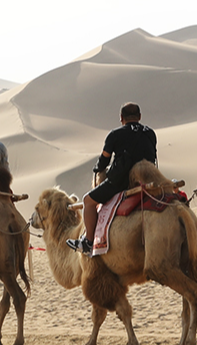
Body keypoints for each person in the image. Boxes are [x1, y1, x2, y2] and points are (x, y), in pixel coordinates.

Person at [68, 103, 158, 255]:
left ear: (121, 118)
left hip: (122, 182)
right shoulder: (150, 133)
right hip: (150, 178)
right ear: (140, 117)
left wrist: (98, 168)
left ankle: (88, 243)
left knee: (88, 201)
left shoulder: (115, 135)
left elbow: (104, 160)